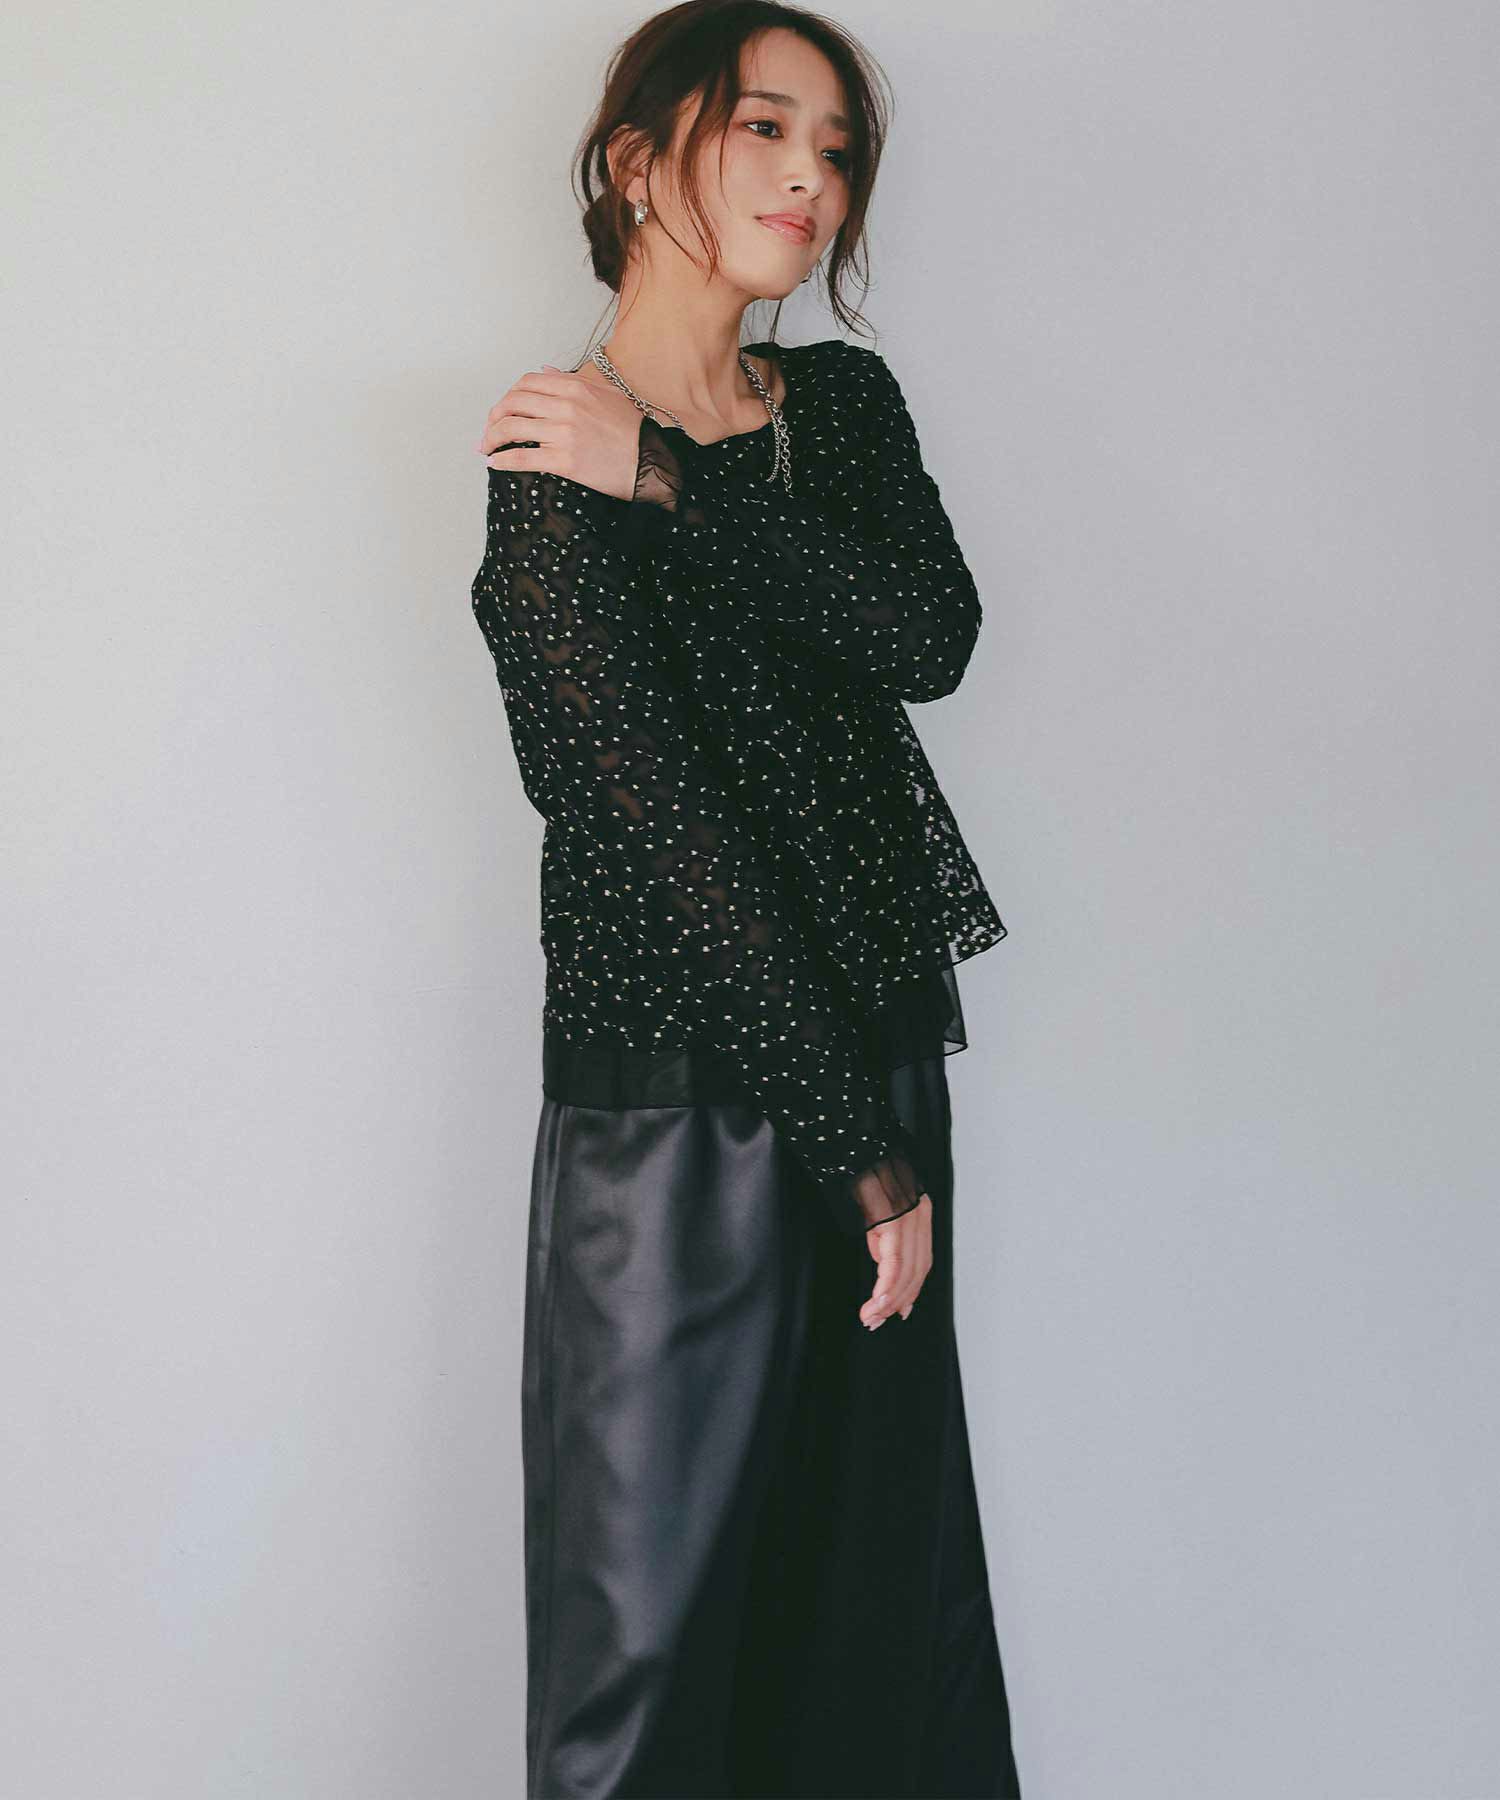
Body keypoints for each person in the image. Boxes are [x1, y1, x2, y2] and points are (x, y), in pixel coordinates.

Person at [468, 5, 1022, 1794]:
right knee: (651, 1670)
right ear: (640, 161)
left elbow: (925, 634)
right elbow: (671, 848)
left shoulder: (838, 412)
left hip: (875, 1068)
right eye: (765, 129)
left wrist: (675, 481)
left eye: (836, 147)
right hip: (678, 1122)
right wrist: (861, 1155)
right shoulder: (549, 476)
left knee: (873, 1630)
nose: (811, 178)